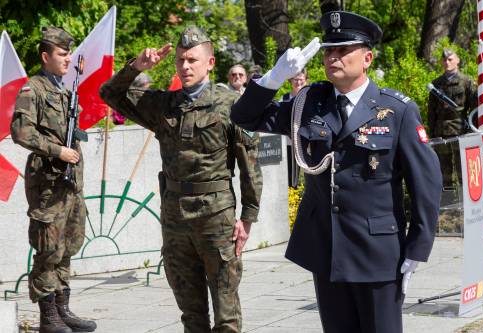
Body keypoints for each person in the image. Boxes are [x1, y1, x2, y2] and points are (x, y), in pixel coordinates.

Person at [231, 11, 442, 333]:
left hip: (377, 251)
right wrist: (273, 78)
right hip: (326, 247)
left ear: (367, 57)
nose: (334, 57)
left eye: (344, 50)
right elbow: (245, 118)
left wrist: (418, 247)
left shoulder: (396, 110)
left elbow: (425, 183)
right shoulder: (309, 104)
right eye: (330, 50)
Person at [99, 26, 262, 333]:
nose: (185, 66)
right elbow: (109, 94)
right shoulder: (164, 104)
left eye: (192, 60)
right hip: (175, 218)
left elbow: (250, 164)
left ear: (210, 63)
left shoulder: (231, 105)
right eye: (180, 60)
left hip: (216, 217)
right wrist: (137, 67)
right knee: (191, 314)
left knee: (226, 315)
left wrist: (248, 218)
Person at [11, 27, 96, 333]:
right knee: (48, 248)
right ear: (46, 56)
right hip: (48, 184)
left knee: (68, 245)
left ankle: (62, 308)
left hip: (71, 184)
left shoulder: (63, 90)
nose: (68, 59)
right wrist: (58, 150)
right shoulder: (32, 90)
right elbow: (20, 132)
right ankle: (48, 316)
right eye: (62, 54)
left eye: (69, 53)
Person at [428, 49, 477, 190]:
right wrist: (432, 134)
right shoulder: (436, 84)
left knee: (463, 168)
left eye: (450, 59)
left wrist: (473, 130)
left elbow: (474, 109)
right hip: (441, 133)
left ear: (457, 61)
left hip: (460, 131)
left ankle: (464, 202)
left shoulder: (466, 82)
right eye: (444, 60)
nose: (447, 62)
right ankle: (449, 203)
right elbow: (431, 112)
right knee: (444, 171)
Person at [281, 69, 309, 188]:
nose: (298, 82)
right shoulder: (284, 98)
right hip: (289, 143)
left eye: (301, 80)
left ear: (306, 81)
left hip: (307, 144)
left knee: (307, 173)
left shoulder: (310, 98)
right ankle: (292, 192)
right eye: (295, 80)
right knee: (290, 172)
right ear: (290, 81)